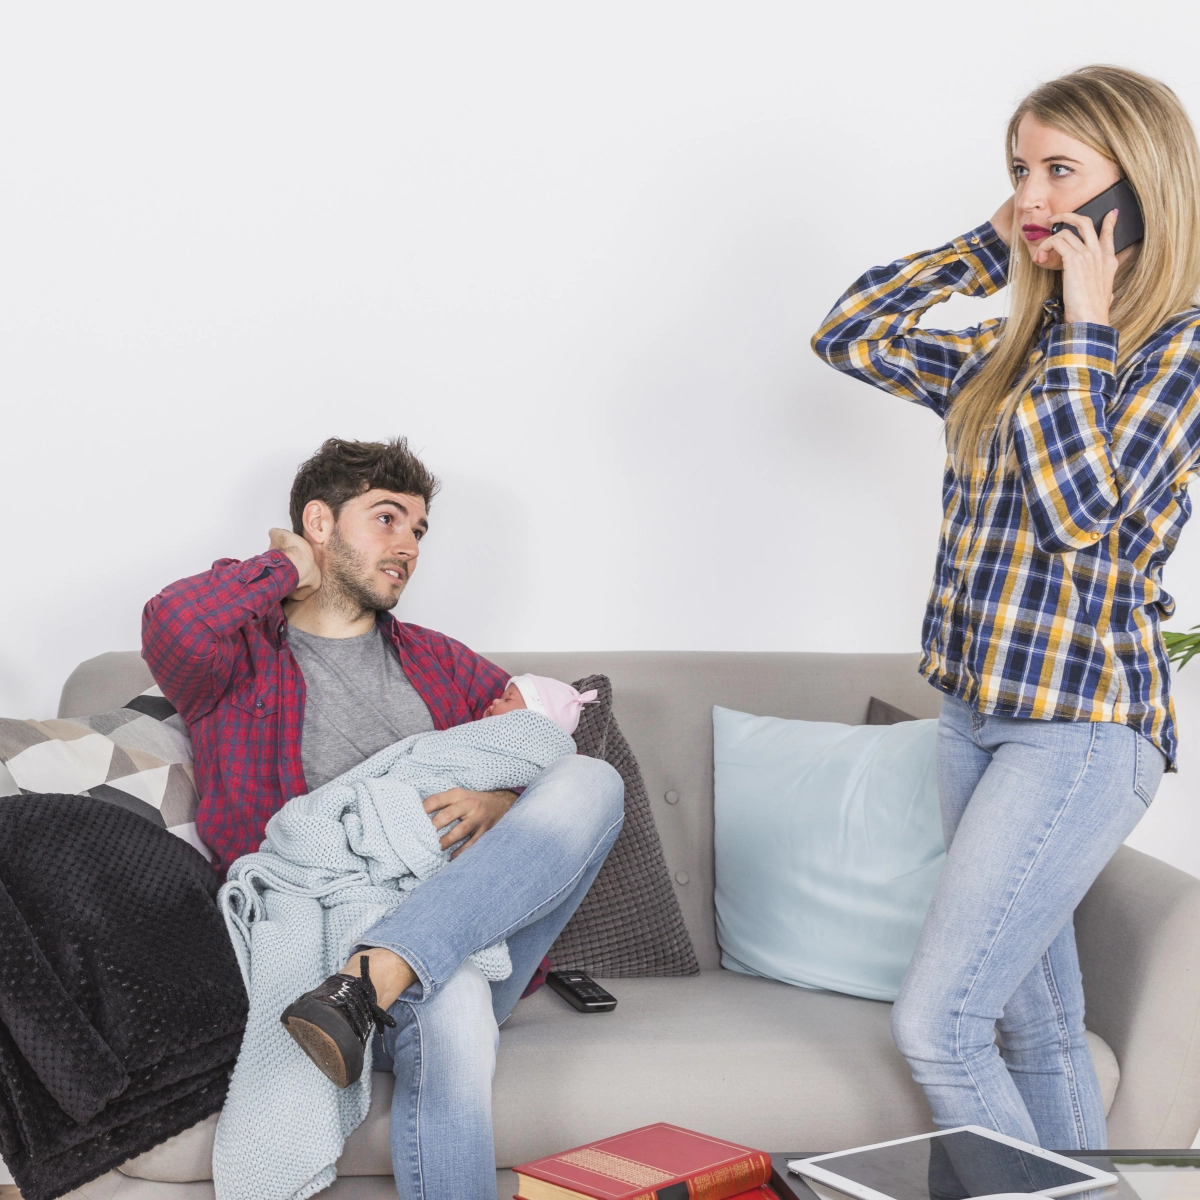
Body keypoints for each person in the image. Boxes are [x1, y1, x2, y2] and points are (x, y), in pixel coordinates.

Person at [811, 64, 1200, 1151]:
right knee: (1040, 1024)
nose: (1035, 196)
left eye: (1062, 172)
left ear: (1139, 187)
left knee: (937, 1024)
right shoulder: (1004, 350)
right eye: (1020, 171)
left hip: (1079, 732)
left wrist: (1082, 320)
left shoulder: (1181, 347)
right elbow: (849, 333)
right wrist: (990, 248)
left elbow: (1088, 516)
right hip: (974, 715)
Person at [142, 436, 624, 1200]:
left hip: (458, 927)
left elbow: (533, 750)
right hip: (314, 943)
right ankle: (372, 982)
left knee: (593, 780)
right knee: (456, 1000)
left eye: (420, 531)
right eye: (389, 519)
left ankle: (383, 971)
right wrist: (282, 569)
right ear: (320, 523)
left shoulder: (442, 661)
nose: (409, 546)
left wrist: (499, 806)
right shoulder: (237, 663)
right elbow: (172, 620)